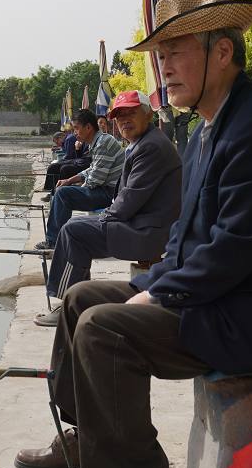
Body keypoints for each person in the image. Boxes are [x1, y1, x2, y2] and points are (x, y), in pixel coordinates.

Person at [15, 0, 252, 468]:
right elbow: (183, 237)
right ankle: (86, 436)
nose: (165, 68)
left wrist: (159, 295)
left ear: (223, 52)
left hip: (247, 318)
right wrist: (152, 284)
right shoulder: (205, 130)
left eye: (176, 53)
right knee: (80, 300)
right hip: (212, 300)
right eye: (161, 57)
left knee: (103, 330)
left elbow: (233, 250)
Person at [33, 90, 181, 327]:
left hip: (148, 233)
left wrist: (104, 218)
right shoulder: (142, 143)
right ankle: (77, 300)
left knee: (74, 231)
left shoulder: (151, 147)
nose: (124, 120)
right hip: (141, 223)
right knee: (76, 227)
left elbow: (130, 198)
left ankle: (68, 304)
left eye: (130, 113)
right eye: (119, 116)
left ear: (148, 114)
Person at [35, 109, 123, 250]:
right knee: (63, 190)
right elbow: (91, 169)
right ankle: (57, 238)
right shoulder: (97, 142)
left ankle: (53, 241)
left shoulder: (103, 143)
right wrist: (69, 181)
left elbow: (95, 180)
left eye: (76, 128)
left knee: (63, 194)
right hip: (106, 189)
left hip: (111, 194)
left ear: (88, 127)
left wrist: (75, 188)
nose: (74, 132)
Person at [42, 127, 93, 202]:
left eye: (77, 130)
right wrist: (77, 149)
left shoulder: (71, 139)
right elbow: (78, 156)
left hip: (85, 162)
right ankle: (52, 191)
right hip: (79, 161)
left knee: (64, 168)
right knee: (53, 166)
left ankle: (61, 193)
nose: (75, 134)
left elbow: (71, 156)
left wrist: (62, 161)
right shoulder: (83, 140)